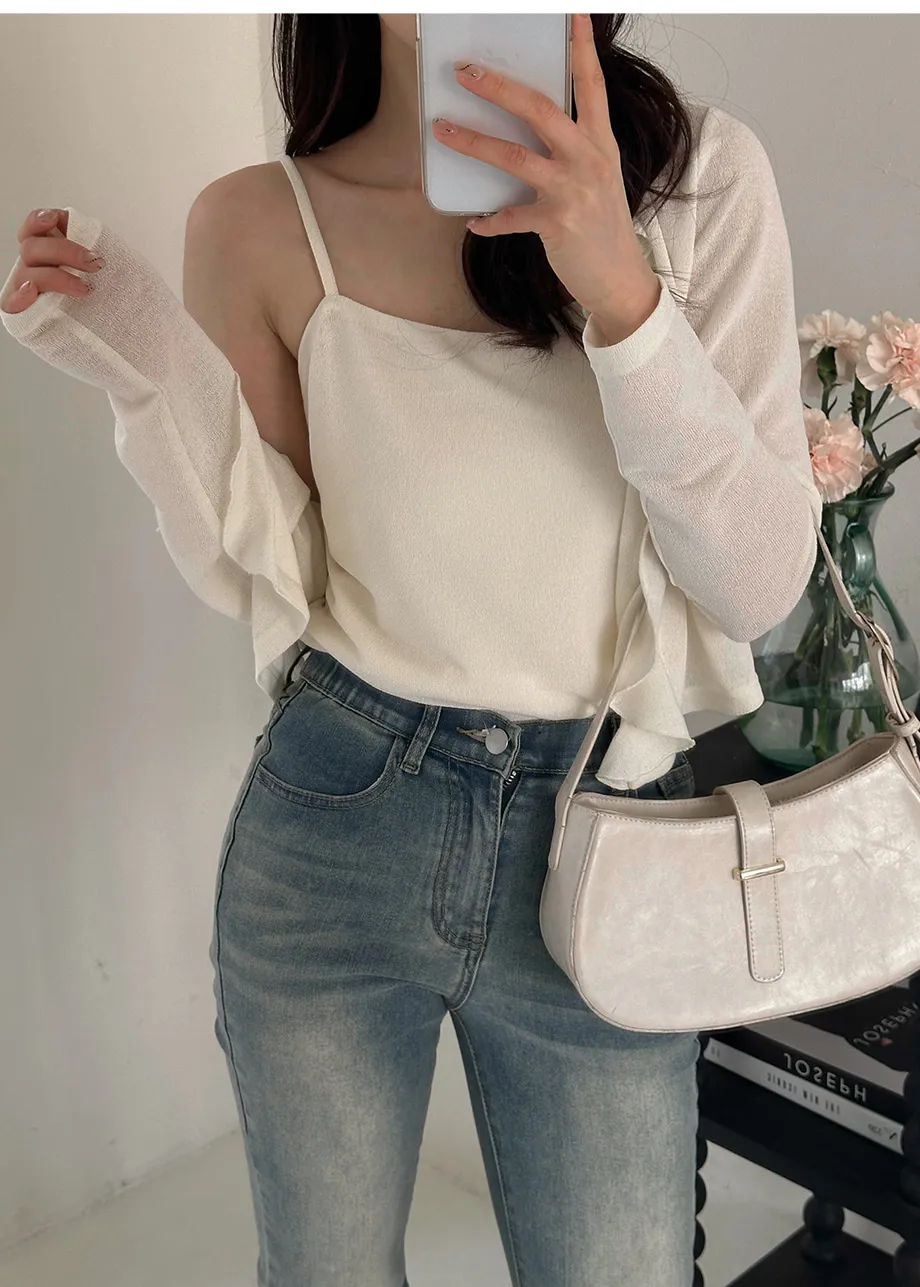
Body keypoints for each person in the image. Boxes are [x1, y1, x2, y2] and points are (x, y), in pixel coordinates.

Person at [2, 14, 823, 1286]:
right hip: (337, 813)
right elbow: (273, 564)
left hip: (604, 835)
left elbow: (757, 585)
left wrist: (620, 293)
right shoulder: (259, 222)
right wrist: (145, 356)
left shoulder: (697, 179)